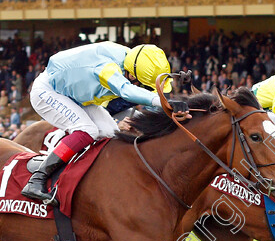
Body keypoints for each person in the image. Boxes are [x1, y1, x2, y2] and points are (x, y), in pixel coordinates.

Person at [21, 42, 180, 203]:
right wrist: (165, 102)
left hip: (76, 95)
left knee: (112, 134)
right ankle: (37, 180)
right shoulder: (107, 68)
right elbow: (126, 90)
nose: (143, 87)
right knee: (86, 130)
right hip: (49, 91)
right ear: (132, 75)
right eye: (143, 85)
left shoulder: (133, 60)